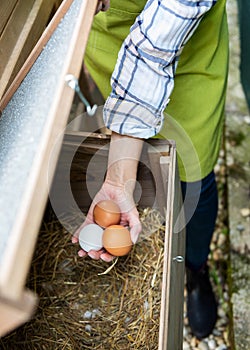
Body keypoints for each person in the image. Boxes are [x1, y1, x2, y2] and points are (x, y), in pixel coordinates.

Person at [72, 0, 229, 340]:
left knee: (195, 174)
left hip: (189, 47)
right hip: (112, 36)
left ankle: (196, 269)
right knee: (145, 160)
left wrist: (117, 177)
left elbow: (152, 52)